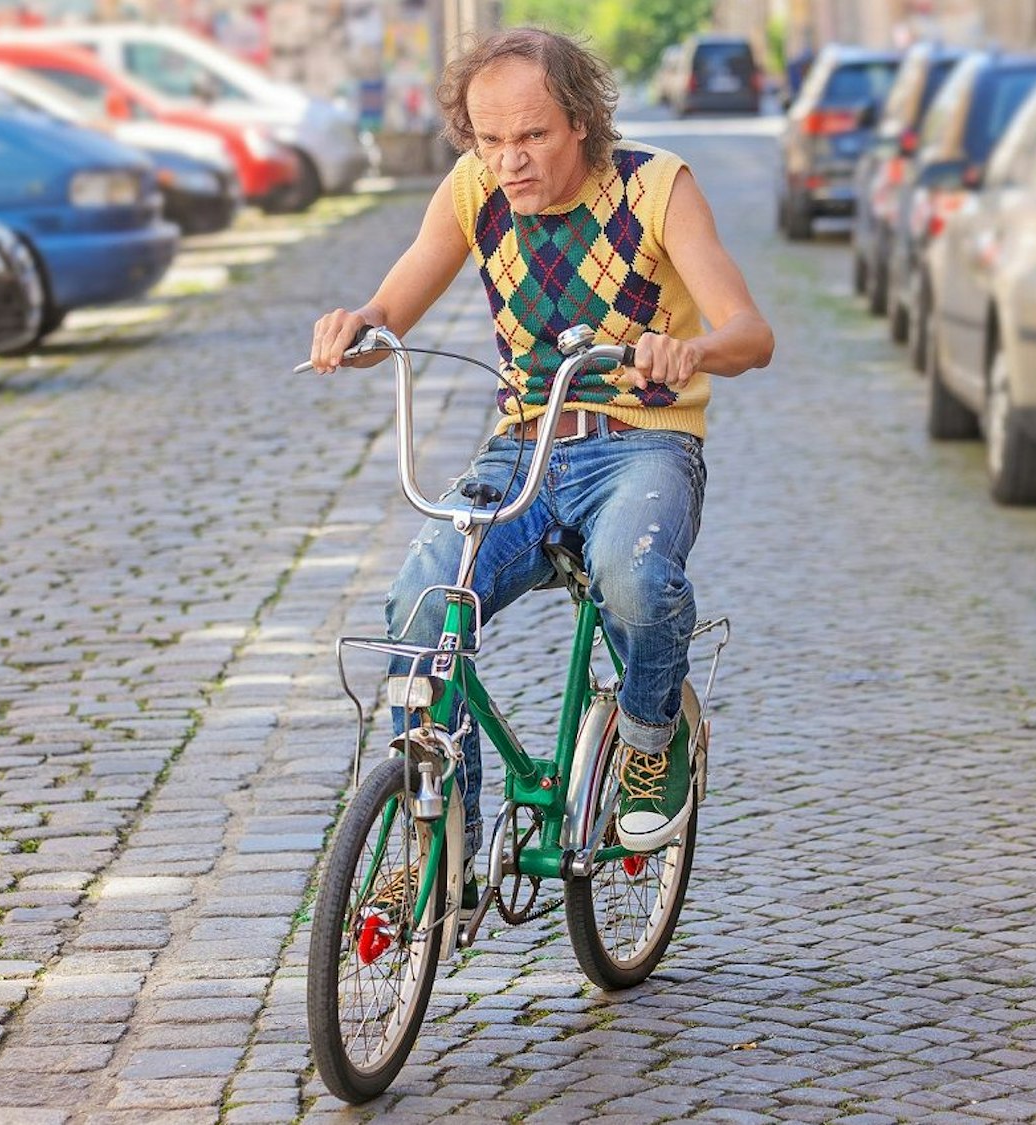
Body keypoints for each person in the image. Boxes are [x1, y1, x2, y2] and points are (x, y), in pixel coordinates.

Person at [308, 27, 772, 866]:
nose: (509, 160)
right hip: (521, 451)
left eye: (532, 136)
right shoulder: (471, 191)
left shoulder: (659, 189)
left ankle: (649, 738)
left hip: (644, 446)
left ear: (583, 121)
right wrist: (358, 327)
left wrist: (693, 350)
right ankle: (439, 837)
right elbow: (393, 305)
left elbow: (752, 334)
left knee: (635, 577)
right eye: (490, 140)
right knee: (420, 597)